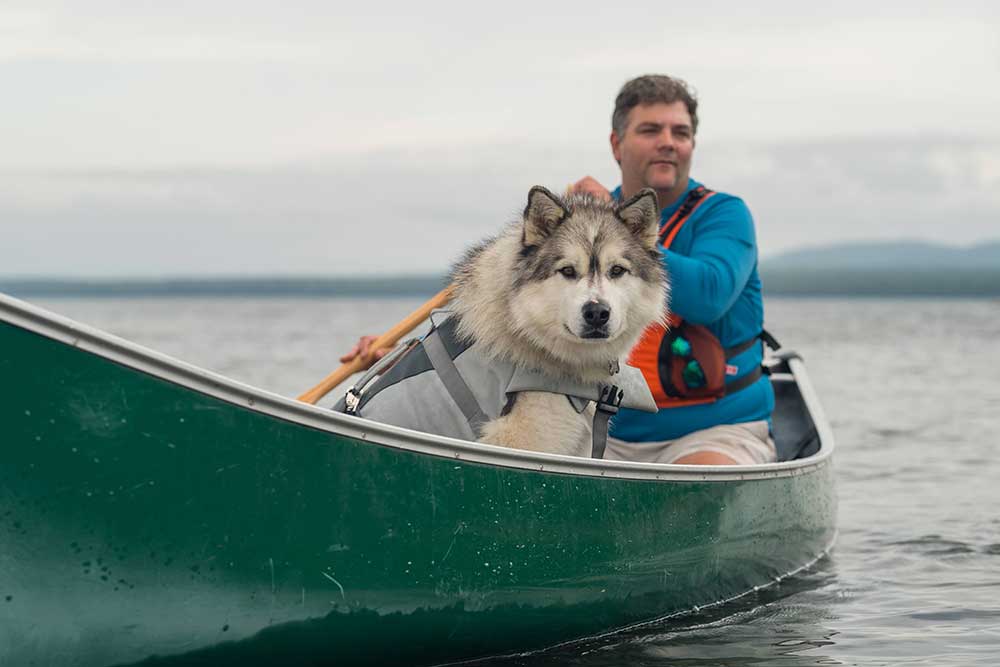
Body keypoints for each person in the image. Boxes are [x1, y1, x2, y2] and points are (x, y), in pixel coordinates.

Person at [570, 74, 775, 465]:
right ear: (617, 145)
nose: (668, 141)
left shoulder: (726, 214)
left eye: (680, 133)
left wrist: (615, 221)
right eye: (650, 130)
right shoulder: (587, 219)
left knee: (696, 483)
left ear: (691, 146)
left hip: (714, 433)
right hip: (603, 430)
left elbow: (708, 296)